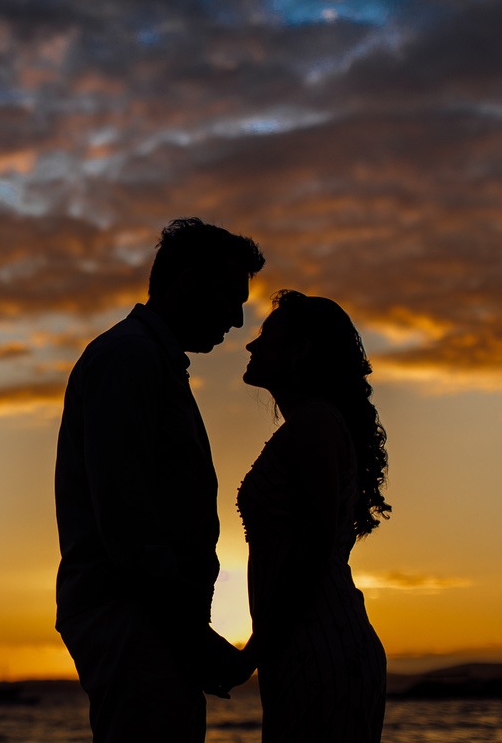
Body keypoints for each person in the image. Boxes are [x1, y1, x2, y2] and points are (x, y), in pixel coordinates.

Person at [55, 217, 265, 742]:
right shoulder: (129, 358)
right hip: (137, 621)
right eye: (229, 297)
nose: (238, 320)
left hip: (154, 623)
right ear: (188, 284)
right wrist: (193, 636)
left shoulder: (149, 362)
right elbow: (126, 521)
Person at [235, 290, 390, 742]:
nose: (251, 345)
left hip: (321, 648)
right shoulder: (312, 425)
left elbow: (314, 550)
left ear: (300, 350)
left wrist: (251, 653)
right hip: (305, 646)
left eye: (266, 336)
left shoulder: (314, 426)